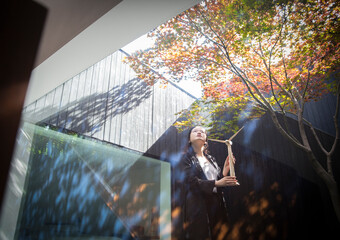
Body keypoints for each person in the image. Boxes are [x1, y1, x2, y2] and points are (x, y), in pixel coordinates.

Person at [179, 126, 237, 240]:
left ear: (206, 140)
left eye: (202, 132)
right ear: (189, 139)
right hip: (198, 206)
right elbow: (190, 181)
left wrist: (225, 169)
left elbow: (217, 180)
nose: (199, 133)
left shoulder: (212, 159)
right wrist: (217, 183)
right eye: (195, 131)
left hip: (217, 205)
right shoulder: (185, 158)